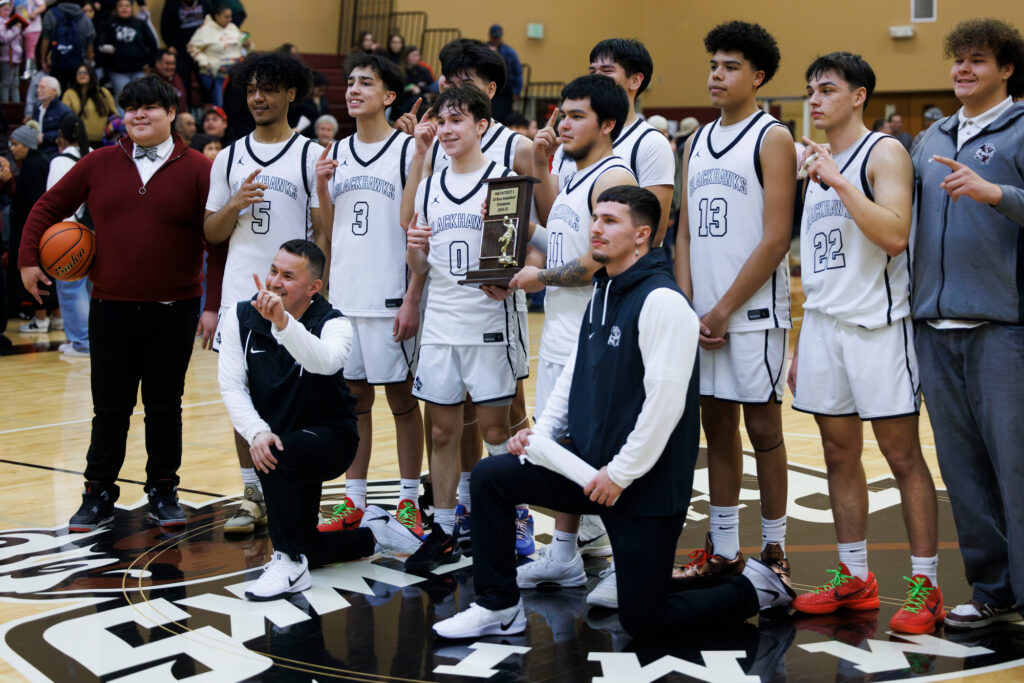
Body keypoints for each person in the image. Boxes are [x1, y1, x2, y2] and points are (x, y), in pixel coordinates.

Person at [431, 186, 794, 640]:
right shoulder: (603, 289)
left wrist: (621, 474)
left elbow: (665, 406)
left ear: (642, 235)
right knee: (493, 477)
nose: (596, 228)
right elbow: (576, 373)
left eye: (610, 221)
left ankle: (757, 589)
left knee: (645, 620)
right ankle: (498, 607)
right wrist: (541, 438)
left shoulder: (664, 302)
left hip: (643, 486)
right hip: (589, 471)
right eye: (595, 218)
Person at [19, 75, 220, 531]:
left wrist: (214, 304)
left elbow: (218, 242)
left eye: (150, 107)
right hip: (111, 307)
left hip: (176, 308)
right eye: (131, 108)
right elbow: (45, 208)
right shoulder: (98, 163)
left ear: (171, 113)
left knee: (165, 408)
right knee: (109, 409)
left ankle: (164, 490)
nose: (139, 115)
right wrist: (29, 259)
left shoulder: (198, 169)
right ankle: (97, 493)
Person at [787, 52, 941, 635]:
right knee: (836, 455)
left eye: (828, 88)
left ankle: (926, 584)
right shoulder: (816, 163)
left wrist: (838, 180)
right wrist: (804, 337)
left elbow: (895, 235)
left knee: (902, 456)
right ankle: (856, 577)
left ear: (859, 97)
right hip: (825, 327)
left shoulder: (884, 152)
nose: (816, 98)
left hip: (879, 326)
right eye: (811, 89)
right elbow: (821, 265)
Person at [218, 240, 423, 600]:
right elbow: (231, 386)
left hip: (331, 439)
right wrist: (257, 432)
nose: (275, 282)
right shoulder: (238, 317)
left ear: (314, 287)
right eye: (273, 271)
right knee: (309, 545)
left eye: (288, 276)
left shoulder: (334, 322)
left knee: (278, 461)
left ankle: (287, 563)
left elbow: (325, 362)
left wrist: (282, 323)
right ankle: (375, 533)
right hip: (280, 439)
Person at [396, 38, 537, 553]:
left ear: (481, 125)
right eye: (444, 121)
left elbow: (512, 261)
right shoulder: (430, 184)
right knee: (442, 431)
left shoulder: (503, 181)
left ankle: (515, 515)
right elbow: (420, 264)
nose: (449, 130)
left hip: (488, 321)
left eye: (459, 121)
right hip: (441, 323)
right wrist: (414, 252)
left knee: (498, 430)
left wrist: (511, 270)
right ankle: (451, 523)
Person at [911, 18, 1024, 630]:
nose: (963, 70)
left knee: (1016, 467)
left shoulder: (1023, 129)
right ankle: (993, 590)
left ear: (1006, 69)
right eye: (958, 59)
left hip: (1002, 329)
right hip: (935, 329)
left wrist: (996, 194)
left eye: (977, 60)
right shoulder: (929, 140)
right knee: (963, 471)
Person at [674, 20, 796, 589]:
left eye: (730, 67)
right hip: (701, 316)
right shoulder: (695, 141)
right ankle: (723, 546)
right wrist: (685, 303)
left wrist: (722, 308)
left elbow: (776, 238)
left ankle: (775, 546)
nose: (717, 76)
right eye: (713, 65)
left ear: (758, 76)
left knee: (765, 429)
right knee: (715, 427)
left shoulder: (773, 138)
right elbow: (685, 235)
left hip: (752, 317)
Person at [506, 74, 636, 586]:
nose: (563, 122)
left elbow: (599, 259)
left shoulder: (612, 176)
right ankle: (563, 552)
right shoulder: (572, 172)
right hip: (561, 329)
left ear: (606, 124)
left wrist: (538, 276)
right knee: (559, 442)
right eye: (562, 113)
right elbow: (556, 239)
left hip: (593, 328)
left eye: (576, 115)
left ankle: (622, 560)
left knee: (598, 445)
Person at [203, 51, 323, 536]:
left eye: (268, 88)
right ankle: (252, 492)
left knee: (296, 399)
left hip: (292, 301)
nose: (257, 97)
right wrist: (232, 205)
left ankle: (289, 488)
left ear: (291, 93)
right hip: (241, 296)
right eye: (251, 88)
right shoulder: (229, 156)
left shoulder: (311, 155)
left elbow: (322, 235)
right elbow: (211, 232)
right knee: (243, 397)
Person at [314, 53, 424, 538]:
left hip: (388, 297)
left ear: (389, 96)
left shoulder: (406, 151)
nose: (353, 90)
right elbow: (330, 232)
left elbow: (415, 227)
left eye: (366, 83)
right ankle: (353, 501)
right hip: (345, 298)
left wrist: (411, 296)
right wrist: (321, 188)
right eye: (351, 83)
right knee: (353, 401)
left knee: (401, 399)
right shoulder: (335, 151)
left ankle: (408, 500)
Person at [550, 39, 676, 246]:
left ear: (635, 81)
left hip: (609, 274)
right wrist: (538, 161)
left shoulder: (650, 142)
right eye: (592, 72)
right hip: (566, 269)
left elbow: (654, 234)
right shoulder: (570, 140)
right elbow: (554, 219)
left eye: (607, 71)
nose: (597, 78)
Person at [46, 114, 92, 356]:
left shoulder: (59, 161)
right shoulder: (95, 154)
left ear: (60, 137)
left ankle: (82, 342)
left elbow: (55, 203)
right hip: (98, 232)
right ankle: (92, 339)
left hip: (69, 234)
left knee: (71, 289)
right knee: (92, 289)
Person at [9, 125, 54, 332]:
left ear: (27, 145)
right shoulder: (40, 161)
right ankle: (56, 317)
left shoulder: (32, 166)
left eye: (15, 144)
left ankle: (41, 318)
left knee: (38, 272)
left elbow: (35, 202)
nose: (12, 148)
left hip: (34, 229)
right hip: (45, 229)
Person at [187, 2, 247, 108]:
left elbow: (240, 45)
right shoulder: (205, 30)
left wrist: (247, 45)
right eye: (226, 17)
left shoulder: (232, 27)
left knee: (239, 102)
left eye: (231, 17)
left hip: (236, 70)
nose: (230, 20)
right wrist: (204, 61)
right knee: (221, 104)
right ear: (217, 16)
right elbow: (191, 47)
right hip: (216, 73)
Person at [96, 0, 157, 97]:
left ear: (132, 8)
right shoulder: (108, 24)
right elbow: (100, 45)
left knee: (141, 98)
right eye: (121, 6)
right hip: (117, 71)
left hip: (139, 70)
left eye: (127, 6)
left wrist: (150, 63)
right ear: (116, 8)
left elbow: (153, 44)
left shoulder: (140, 24)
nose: (124, 8)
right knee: (123, 99)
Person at [159, 0, 209, 109]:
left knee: (205, 80)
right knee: (183, 81)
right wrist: (169, 45)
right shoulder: (171, 4)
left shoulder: (205, 2)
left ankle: (207, 112)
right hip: (180, 49)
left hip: (201, 49)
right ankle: (186, 110)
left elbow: (211, 22)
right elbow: (165, 25)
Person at [40, 0, 96, 91]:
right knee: (77, 95)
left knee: (58, 93)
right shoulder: (84, 18)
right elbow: (89, 45)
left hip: (56, 62)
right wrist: (89, 63)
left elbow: (45, 39)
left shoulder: (51, 14)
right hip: (79, 64)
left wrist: (43, 60)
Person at [61, 64, 116, 147]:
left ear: (91, 74)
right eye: (79, 73)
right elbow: (65, 118)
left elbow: (114, 115)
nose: (82, 75)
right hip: (78, 141)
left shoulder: (104, 93)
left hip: (102, 141)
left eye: (85, 72)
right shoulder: (69, 94)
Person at [31, 75, 73, 157]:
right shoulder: (37, 109)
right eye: (38, 87)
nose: (38, 90)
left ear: (54, 91)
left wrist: (44, 137)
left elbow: (68, 133)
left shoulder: (64, 111)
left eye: (42, 87)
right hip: (36, 150)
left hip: (54, 152)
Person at [485, 24, 520, 123]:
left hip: (505, 90)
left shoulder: (509, 52)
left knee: (504, 117)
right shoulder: (483, 50)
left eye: (498, 37)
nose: (496, 39)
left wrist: (516, 91)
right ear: (490, 36)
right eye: (494, 37)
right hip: (488, 88)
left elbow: (518, 72)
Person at [0, 0, 26, 104]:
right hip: (6, 57)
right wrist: (16, 29)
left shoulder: (11, 20)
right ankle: (5, 107)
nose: (7, 12)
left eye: (9, 9)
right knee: (6, 83)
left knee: (15, 83)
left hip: (16, 57)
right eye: (4, 9)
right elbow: (3, 38)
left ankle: (17, 106)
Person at [152, 48, 189, 115]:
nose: (171, 67)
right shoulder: (151, 81)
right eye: (167, 63)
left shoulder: (177, 78)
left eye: (173, 64)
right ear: (158, 63)